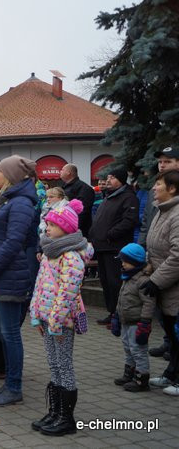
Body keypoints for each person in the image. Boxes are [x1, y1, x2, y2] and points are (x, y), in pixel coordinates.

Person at [0, 155, 39, 406]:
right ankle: (9, 384)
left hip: (9, 276)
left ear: (12, 175)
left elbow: (13, 243)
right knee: (4, 333)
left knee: (10, 334)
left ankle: (14, 387)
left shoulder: (21, 202)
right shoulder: (7, 199)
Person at [29, 199, 92, 436]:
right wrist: (36, 314)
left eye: (52, 225)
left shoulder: (71, 256)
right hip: (47, 319)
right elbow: (40, 285)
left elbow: (67, 292)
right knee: (54, 364)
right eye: (46, 224)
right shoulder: (49, 252)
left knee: (64, 366)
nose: (47, 229)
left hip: (61, 321)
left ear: (66, 227)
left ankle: (67, 418)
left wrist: (55, 320)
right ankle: (55, 411)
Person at [138, 147, 179, 360]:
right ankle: (171, 364)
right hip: (161, 275)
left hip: (169, 278)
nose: (162, 164)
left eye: (168, 161)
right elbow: (147, 228)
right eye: (160, 161)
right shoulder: (159, 201)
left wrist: (157, 279)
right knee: (169, 326)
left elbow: (177, 254)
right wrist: (143, 257)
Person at [143, 170, 179, 396]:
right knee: (172, 335)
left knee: (177, 333)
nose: (154, 188)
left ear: (172, 188)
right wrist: (147, 267)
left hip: (172, 285)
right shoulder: (162, 210)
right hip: (163, 284)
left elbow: (177, 254)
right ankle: (171, 373)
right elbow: (155, 246)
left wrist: (156, 280)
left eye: (158, 184)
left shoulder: (176, 214)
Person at [88, 167, 139, 326]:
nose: (108, 180)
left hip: (115, 247)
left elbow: (129, 221)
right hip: (102, 247)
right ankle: (112, 313)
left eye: (113, 177)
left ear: (121, 180)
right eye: (108, 177)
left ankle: (119, 315)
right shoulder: (109, 197)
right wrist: (93, 235)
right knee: (106, 282)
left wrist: (110, 234)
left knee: (115, 282)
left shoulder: (128, 197)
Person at [110, 243, 154, 392]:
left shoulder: (143, 280)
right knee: (128, 348)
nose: (123, 264)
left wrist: (145, 322)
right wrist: (116, 315)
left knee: (138, 350)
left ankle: (142, 379)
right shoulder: (127, 277)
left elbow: (149, 302)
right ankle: (129, 373)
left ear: (135, 262)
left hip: (137, 323)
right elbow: (121, 298)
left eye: (126, 261)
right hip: (126, 321)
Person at [60, 164, 95, 236]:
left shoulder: (84, 188)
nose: (60, 172)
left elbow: (83, 211)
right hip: (64, 226)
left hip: (78, 231)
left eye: (62, 170)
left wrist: (73, 227)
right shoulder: (64, 187)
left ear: (68, 172)